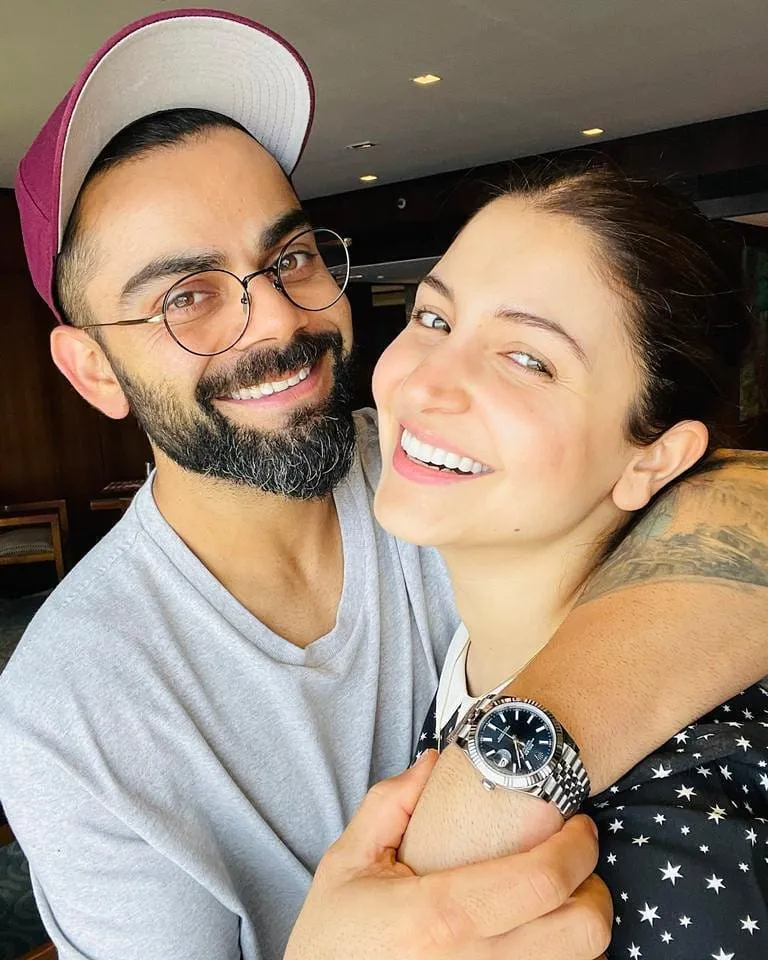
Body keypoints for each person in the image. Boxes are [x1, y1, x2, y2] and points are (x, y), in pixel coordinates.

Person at [0, 9, 766, 960]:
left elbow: (739, 501)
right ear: (92, 372)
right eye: (185, 297)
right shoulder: (73, 703)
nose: (278, 319)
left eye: (289, 257)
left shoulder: (442, 466)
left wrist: (498, 775)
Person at [368, 166, 768, 957]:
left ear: (653, 459)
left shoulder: (680, 828)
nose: (427, 382)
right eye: (434, 317)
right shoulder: (492, 644)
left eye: (529, 359)